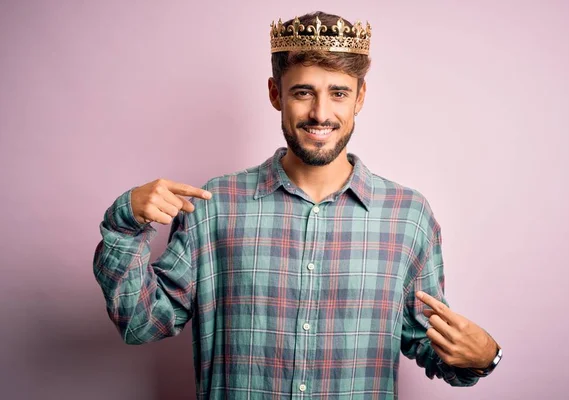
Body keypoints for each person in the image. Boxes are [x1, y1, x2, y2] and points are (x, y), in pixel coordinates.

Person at [93, 11, 502, 399]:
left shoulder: (408, 218)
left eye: (338, 93)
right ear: (276, 94)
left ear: (360, 97)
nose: (320, 113)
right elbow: (141, 323)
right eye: (303, 92)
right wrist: (125, 222)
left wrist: (485, 357)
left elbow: (434, 348)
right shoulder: (214, 207)